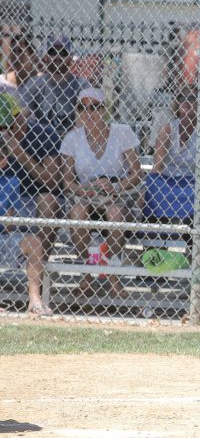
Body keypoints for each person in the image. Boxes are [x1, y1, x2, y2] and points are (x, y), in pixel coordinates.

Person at [60, 88, 144, 297]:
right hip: (86, 195)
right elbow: (67, 181)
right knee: (77, 212)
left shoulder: (122, 132)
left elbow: (137, 173)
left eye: (94, 107)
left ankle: (111, 275)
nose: (89, 113)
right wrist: (82, 189)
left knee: (115, 214)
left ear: (104, 109)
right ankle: (88, 274)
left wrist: (115, 186)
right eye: (83, 108)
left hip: (117, 194)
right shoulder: (72, 138)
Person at [0, 95, 53, 315]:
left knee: (34, 243)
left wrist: (8, 220)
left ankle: (35, 301)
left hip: (2, 239)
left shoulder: (11, 181)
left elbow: (9, 224)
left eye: (2, 155)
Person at [0, 92, 62, 259]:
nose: (4, 132)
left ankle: (38, 263)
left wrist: (20, 153)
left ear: (20, 117)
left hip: (35, 199)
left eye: (8, 126)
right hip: (5, 199)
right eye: (0, 127)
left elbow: (52, 181)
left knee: (48, 200)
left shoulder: (45, 133)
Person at [17, 35, 90, 137]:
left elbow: (85, 121)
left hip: (72, 141)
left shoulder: (81, 85)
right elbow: (21, 115)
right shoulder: (35, 83)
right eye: (52, 52)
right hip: (41, 139)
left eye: (63, 53)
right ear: (45, 56)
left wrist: (65, 139)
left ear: (70, 57)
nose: (58, 56)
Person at [151, 86, 197, 178]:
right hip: (168, 179)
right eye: (181, 98)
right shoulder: (168, 130)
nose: (185, 101)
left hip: (194, 180)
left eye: (191, 98)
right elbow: (157, 166)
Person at [0, 35, 38, 99]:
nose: (16, 55)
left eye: (20, 51)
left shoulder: (41, 82)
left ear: (32, 56)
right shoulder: (2, 82)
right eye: (13, 50)